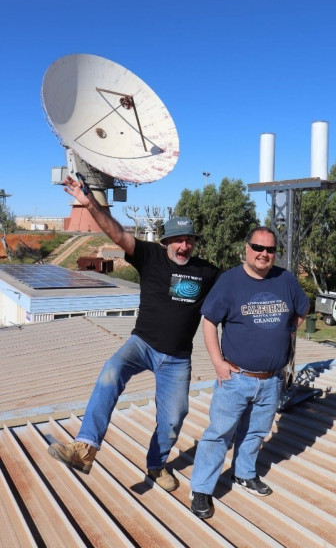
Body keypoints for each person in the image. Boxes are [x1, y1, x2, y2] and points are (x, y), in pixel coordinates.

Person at [48, 175, 220, 492]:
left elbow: (236, 291)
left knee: (174, 416)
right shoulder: (148, 256)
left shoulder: (206, 272)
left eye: (190, 240)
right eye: (178, 239)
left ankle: (156, 465)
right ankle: (84, 450)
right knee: (111, 372)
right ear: (166, 241)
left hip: (177, 358)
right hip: (141, 345)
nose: (185, 245)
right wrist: (91, 205)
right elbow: (116, 233)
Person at [190, 226, 309, 518]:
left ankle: (243, 473)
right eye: (258, 247)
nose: (264, 254)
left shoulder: (286, 280)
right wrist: (218, 363)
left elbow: (302, 310)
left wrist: (288, 329)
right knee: (219, 434)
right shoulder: (229, 281)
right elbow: (208, 322)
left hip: (270, 381)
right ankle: (202, 490)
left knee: (256, 432)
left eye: (269, 250)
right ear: (246, 248)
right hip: (236, 378)